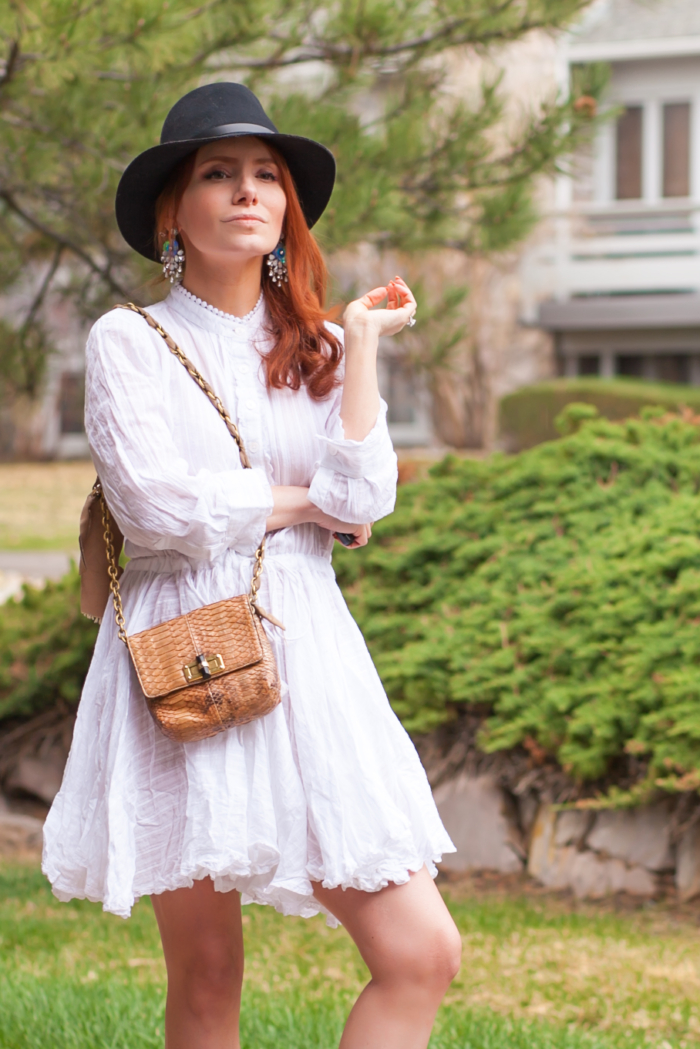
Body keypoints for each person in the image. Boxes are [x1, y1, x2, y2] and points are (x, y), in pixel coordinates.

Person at [42, 82, 459, 1049]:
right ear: (170, 212)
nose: (247, 192)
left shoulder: (315, 347)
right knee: (207, 976)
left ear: (287, 212)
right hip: (180, 653)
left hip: (310, 659)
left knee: (421, 951)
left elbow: (364, 502)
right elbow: (157, 508)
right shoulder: (130, 341)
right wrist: (300, 501)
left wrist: (357, 345)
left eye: (266, 177)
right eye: (218, 174)